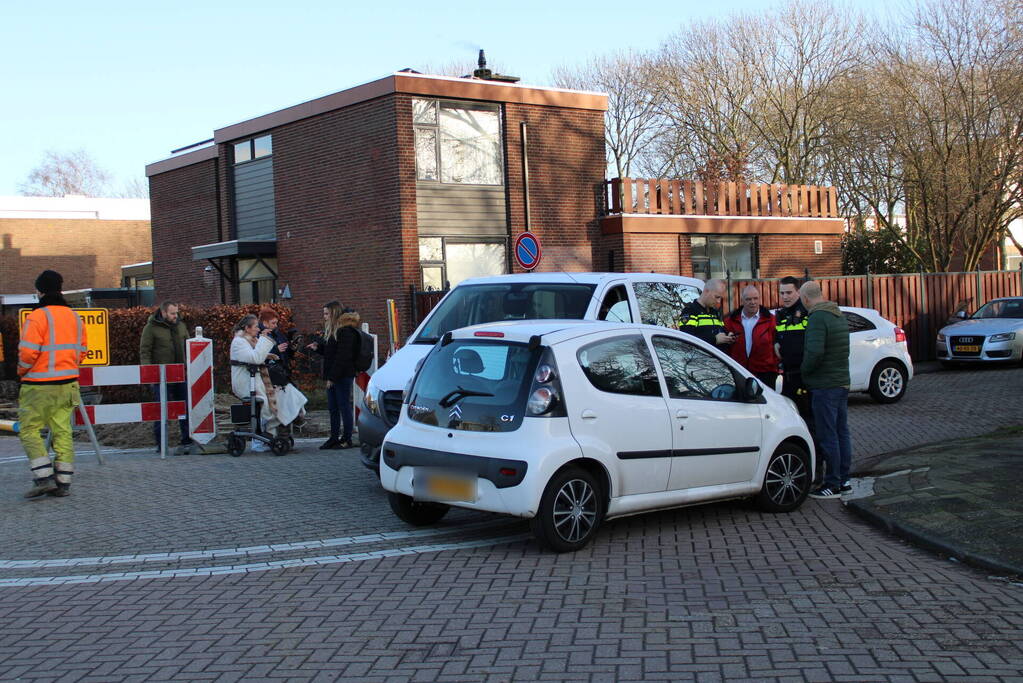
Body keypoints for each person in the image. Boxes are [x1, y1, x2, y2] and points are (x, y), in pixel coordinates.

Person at [17, 270, 87, 498]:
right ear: (60, 289)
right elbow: (82, 351)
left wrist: (21, 371)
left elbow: (27, 353)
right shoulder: (75, 317)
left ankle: (43, 477)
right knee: (63, 431)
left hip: (38, 385)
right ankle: (63, 482)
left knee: (29, 429)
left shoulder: (37, 317)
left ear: (39, 291)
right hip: (68, 384)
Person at [799, 281, 852, 500]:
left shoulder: (817, 318)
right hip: (841, 382)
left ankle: (832, 483)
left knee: (827, 434)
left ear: (805, 299)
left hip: (824, 385)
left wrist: (804, 373)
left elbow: (815, 352)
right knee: (841, 432)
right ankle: (844, 480)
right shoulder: (837, 315)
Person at [230, 314, 307, 451]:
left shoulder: (249, 340)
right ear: (247, 328)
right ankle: (273, 433)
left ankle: (287, 424)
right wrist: (264, 340)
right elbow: (255, 358)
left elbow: (256, 356)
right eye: (255, 327)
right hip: (247, 384)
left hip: (257, 381)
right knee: (278, 399)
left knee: (287, 393)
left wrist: (269, 354)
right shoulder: (239, 342)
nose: (258, 329)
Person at [139, 302, 194, 455]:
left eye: (176, 313)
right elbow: (145, 351)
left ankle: (187, 440)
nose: (176, 316)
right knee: (161, 409)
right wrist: (148, 373)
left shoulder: (180, 326)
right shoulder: (151, 328)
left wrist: (190, 366)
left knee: (185, 407)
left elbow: (188, 346)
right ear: (163, 313)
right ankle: (161, 443)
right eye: (172, 313)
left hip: (181, 374)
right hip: (161, 377)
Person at [307, 302, 359, 450]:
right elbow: (331, 353)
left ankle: (346, 439)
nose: (324, 317)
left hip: (342, 375)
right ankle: (334, 438)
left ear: (334, 313)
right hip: (334, 374)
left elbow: (343, 357)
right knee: (333, 408)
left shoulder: (345, 331)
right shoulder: (334, 331)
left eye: (326, 314)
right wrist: (318, 348)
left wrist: (332, 378)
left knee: (343, 406)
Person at [774, 276, 814, 426]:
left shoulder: (807, 312)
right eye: (782, 293)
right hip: (788, 374)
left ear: (798, 292)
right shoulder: (782, 314)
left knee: (807, 417)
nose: (785, 296)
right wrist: (776, 342)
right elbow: (780, 335)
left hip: (804, 376)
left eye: (789, 292)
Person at [723, 285, 778, 388]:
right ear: (742, 301)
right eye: (748, 299)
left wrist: (774, 368)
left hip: (766, 374)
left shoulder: (771, 320)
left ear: (759, 299)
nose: (752, 302)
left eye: (755, 298)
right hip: (739, 372)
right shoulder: (730, 322)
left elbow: (777, 345)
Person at [678, 278, 734, 349]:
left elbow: (721, 331)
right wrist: (714, 339)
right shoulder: (690, 311)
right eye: (717, 297)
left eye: (720, 298)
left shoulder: (715, 312)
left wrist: (728, 336)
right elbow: (687, 340)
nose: (718, 301)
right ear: (706, 291)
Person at [258, 307, 291, 386]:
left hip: (279, 370)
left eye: (276, 323)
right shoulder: (258, 334)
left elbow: (285, 347)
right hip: (268, 373)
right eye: (273, 323)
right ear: (265, 323)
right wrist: (276, 350)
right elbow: (259, 353)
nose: (276, 325)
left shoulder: (276, 332)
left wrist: (291, 348)